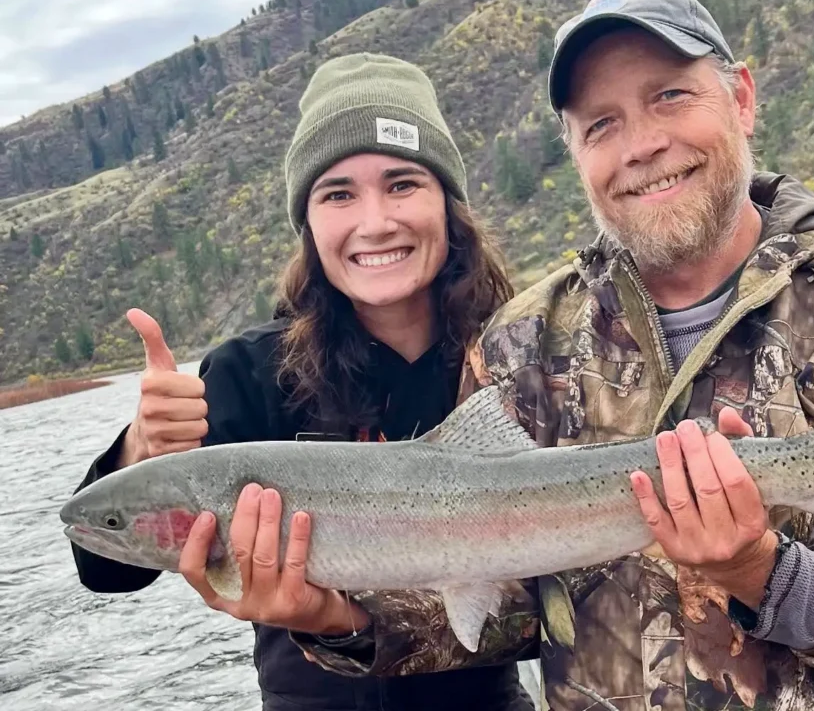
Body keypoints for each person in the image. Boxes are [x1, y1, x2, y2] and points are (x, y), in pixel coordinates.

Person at [294, 0, 814, 711]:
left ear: (743, 99)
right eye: (602, 124)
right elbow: (505, 610)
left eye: (669, 96)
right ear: (576, 154)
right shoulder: (521, 344)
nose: (642, 145)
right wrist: (332, 618)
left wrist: (765, 571)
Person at [66, 53, 537, 711]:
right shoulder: (247, 374)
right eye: (338, 193)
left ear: (448, 203)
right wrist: (141, 448)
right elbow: (106, 569)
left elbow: (564, 606)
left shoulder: (526, 351)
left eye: (403, 184)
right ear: (308, 223)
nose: (375, 221)